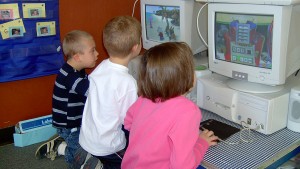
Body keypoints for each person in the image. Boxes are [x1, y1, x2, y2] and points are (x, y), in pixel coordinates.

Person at [121, 42, 219, 169]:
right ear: (187, 76)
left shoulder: (144, 99)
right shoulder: (188, 111)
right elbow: (182, 166)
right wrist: (202, 143)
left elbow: (128, 123)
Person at [77, 15, 142, 169]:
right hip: (109, 146)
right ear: (136, 47)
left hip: (88, 138)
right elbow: (129, 121)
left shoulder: (103, 66)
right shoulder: (128, 83)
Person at [35, 30, 99, 167]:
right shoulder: (70, 76)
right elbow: (92, 92)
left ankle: (61, 143)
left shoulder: (77, 69)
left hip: (76, 120)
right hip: (69, 125)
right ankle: (63, 150)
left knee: (87, 144)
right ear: (77, 57)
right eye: (92, 51)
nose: (97, 54)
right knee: (77, 155)